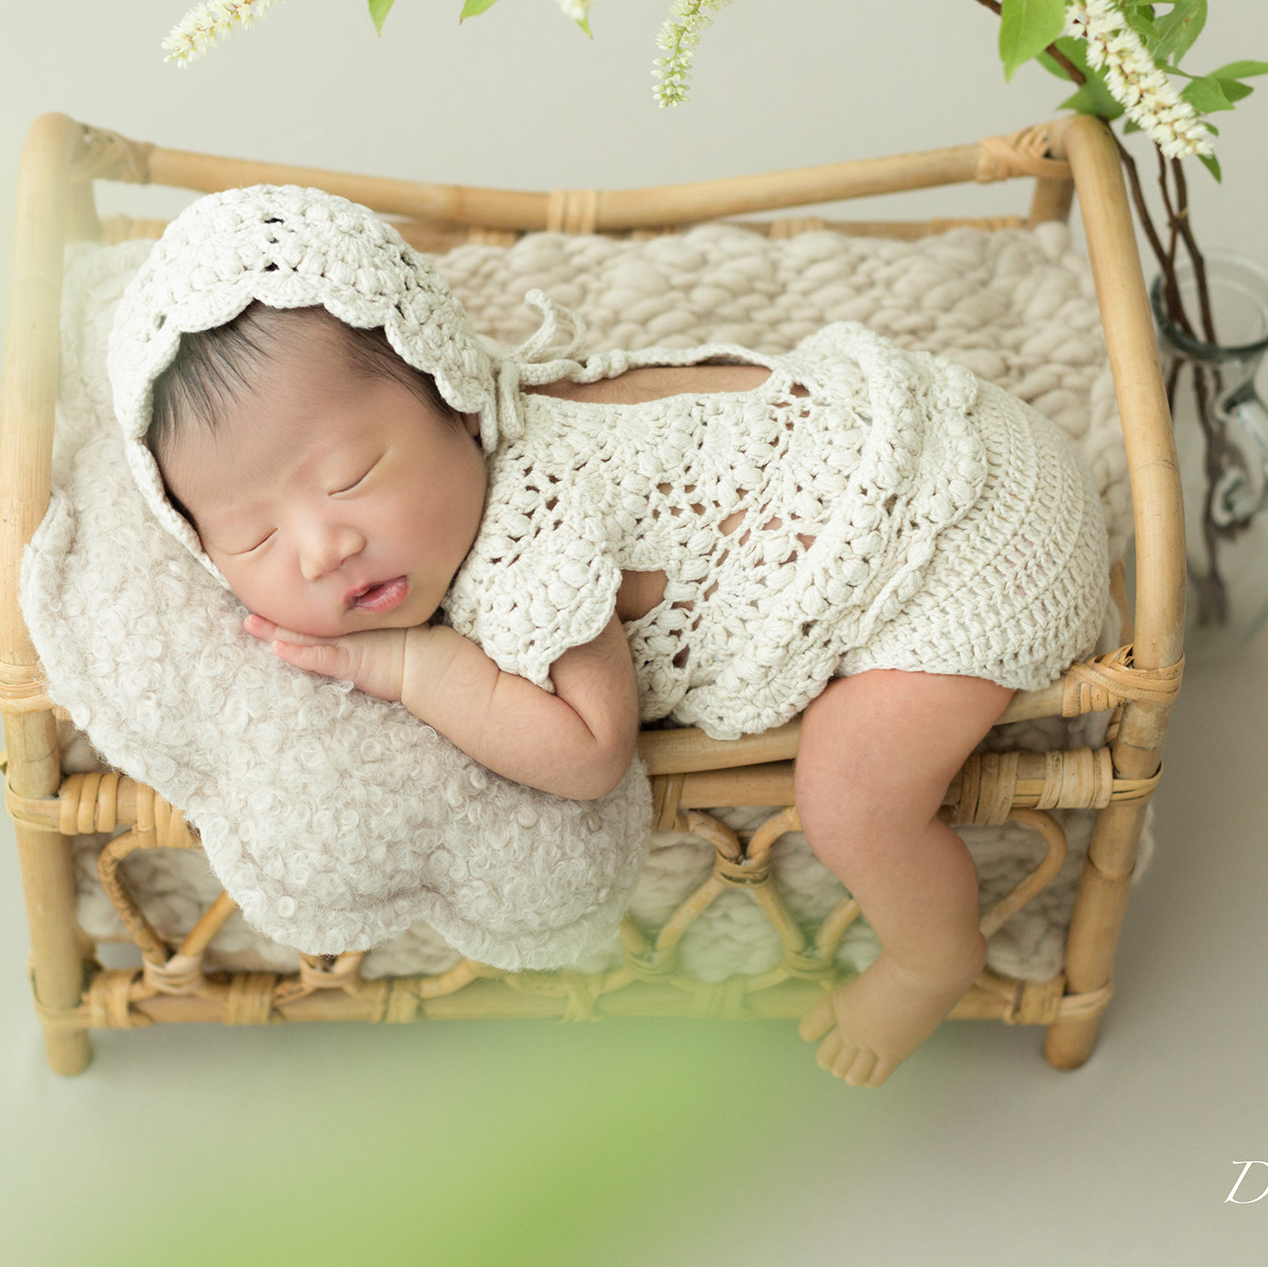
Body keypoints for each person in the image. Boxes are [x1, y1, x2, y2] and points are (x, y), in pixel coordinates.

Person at [109, 185, 1109, 1087]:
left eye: (352, 476)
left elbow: (588, 752)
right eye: (254, 537)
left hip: (973, 550)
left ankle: (931, 957)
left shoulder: (532, 542)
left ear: (456, 399)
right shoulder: (486, 450)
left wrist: (419, 666)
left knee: (850, 796)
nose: (324, 547)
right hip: (953, 427)